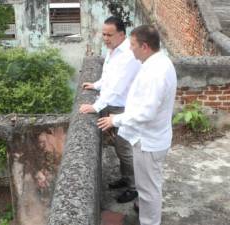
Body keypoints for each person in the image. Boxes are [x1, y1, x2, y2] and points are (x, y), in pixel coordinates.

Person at [97, 25, 177, 225]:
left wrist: (116, 119)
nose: (129, 48)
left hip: (149, 141)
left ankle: (150, 222)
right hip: (150, 137)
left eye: (132, 45)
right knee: (146, 186)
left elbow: (146, 113)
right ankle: (144, 209)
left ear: (145, 46)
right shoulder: (155, 62)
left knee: (149, 189)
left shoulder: (156, 72)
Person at [80, 16, 141, 203]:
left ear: (122, 35)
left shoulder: (128, 55)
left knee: (125, 149)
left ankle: (134, 188)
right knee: (118, 147)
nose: (105, 38)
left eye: (109, 34)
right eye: (104, 34)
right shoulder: (113, 50)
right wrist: (96, 85)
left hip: (123, 107)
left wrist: (95, 106)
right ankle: (126, 179)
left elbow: (117, 86)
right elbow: (108, 76)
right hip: (114, 105)